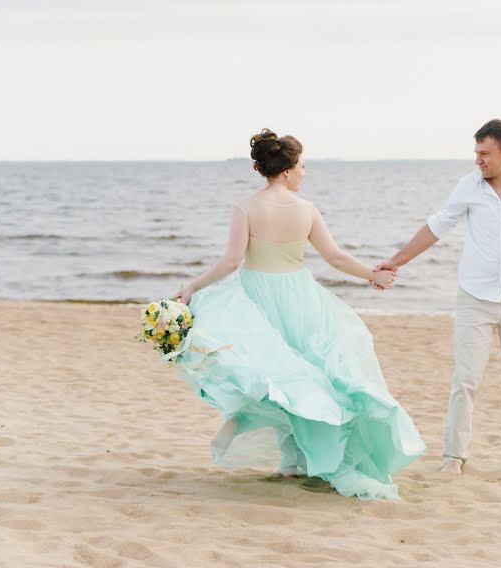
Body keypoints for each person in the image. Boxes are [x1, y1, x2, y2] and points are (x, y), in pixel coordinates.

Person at [170, 128, 426, 500]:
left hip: (256, 296)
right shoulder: (306, 210)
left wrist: (193, 286)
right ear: (287, 171)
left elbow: (231, 261)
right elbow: (335, 257)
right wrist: (373, 275)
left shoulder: (245, 207)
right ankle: (296, 459)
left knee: (276, 375)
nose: (304, 173)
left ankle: (286, 459)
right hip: (299, 298)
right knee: (307, 374)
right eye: (302, 166)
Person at [376, 119, 501, 476]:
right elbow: (436, 227)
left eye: (484, 153)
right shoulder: (468, 187)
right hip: (474, 300)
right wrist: (397, 261)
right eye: (476, 153)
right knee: (465, 380)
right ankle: (454, 457)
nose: (478, 160)